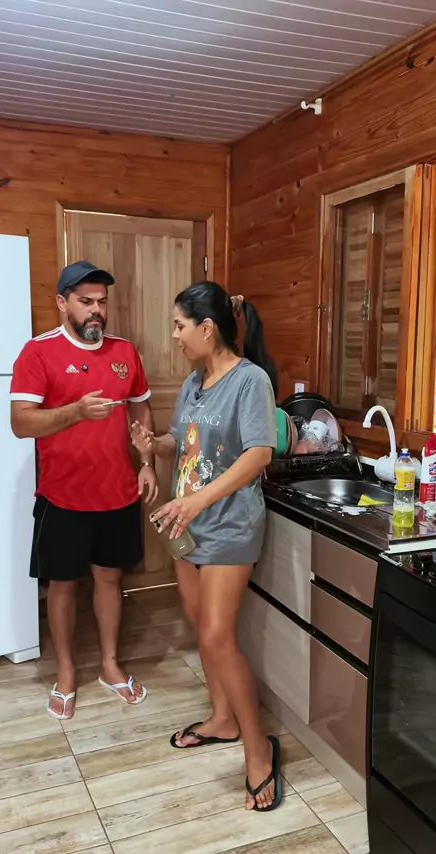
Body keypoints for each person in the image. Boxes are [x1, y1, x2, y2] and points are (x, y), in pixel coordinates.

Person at [130, 281, 280, 812]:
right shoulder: (195, 381)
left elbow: (258, 454)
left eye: (180, 325)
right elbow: (183, 440)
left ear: (208, 327)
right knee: (201, 628)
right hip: (187, 525)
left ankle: (259, 750)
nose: (175, 336)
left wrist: (197, 501)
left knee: (218, 637)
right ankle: (222, 719)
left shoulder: (249, 381)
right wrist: (154, 446)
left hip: (228, 527)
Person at [10, 260, 158, 720]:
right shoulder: (38, 353)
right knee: (62, 584)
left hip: (117, 491)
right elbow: (21, 423)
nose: (97, 311)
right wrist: (75, 411)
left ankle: (110, 665)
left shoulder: (124, 351)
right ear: (62, 303)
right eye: (86, 301)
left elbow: (141, 408)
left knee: (110, 579)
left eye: (102, 302)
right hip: (62, 495)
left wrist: (147, 461)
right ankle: (67, 672)